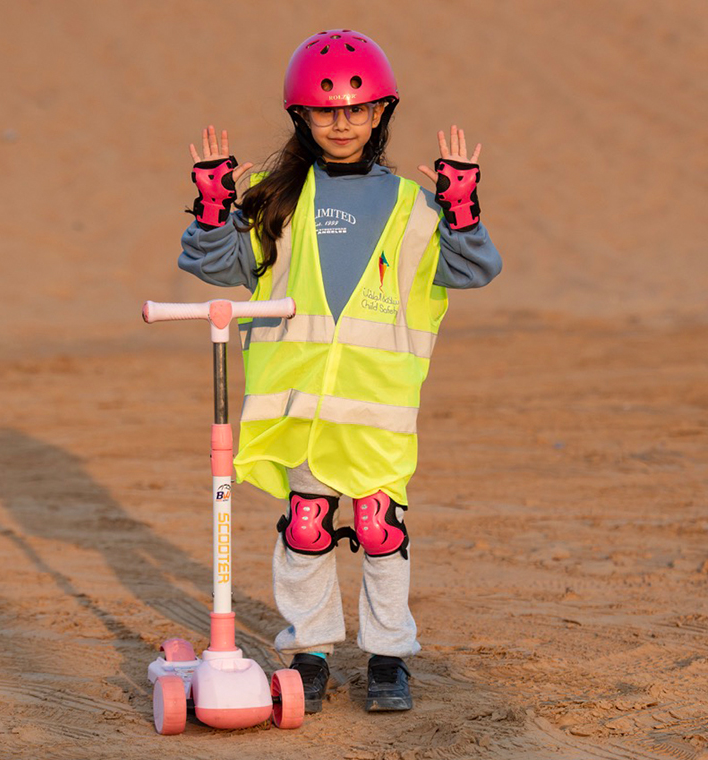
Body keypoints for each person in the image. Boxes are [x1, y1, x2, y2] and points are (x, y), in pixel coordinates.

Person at [176, 28, 501, 713]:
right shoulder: (276, 198)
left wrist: (463, 211)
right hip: (298, 407)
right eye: (326, 111)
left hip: (378, 407)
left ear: (381, 112)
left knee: (381, 529)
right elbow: (217, 265)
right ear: (302, 116)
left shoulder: (415, 205)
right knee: (307, 527)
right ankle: (311, 654)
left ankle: (388, 659)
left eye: (357, 108)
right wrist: (212, 208)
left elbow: (474, 270)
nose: (342, 122)